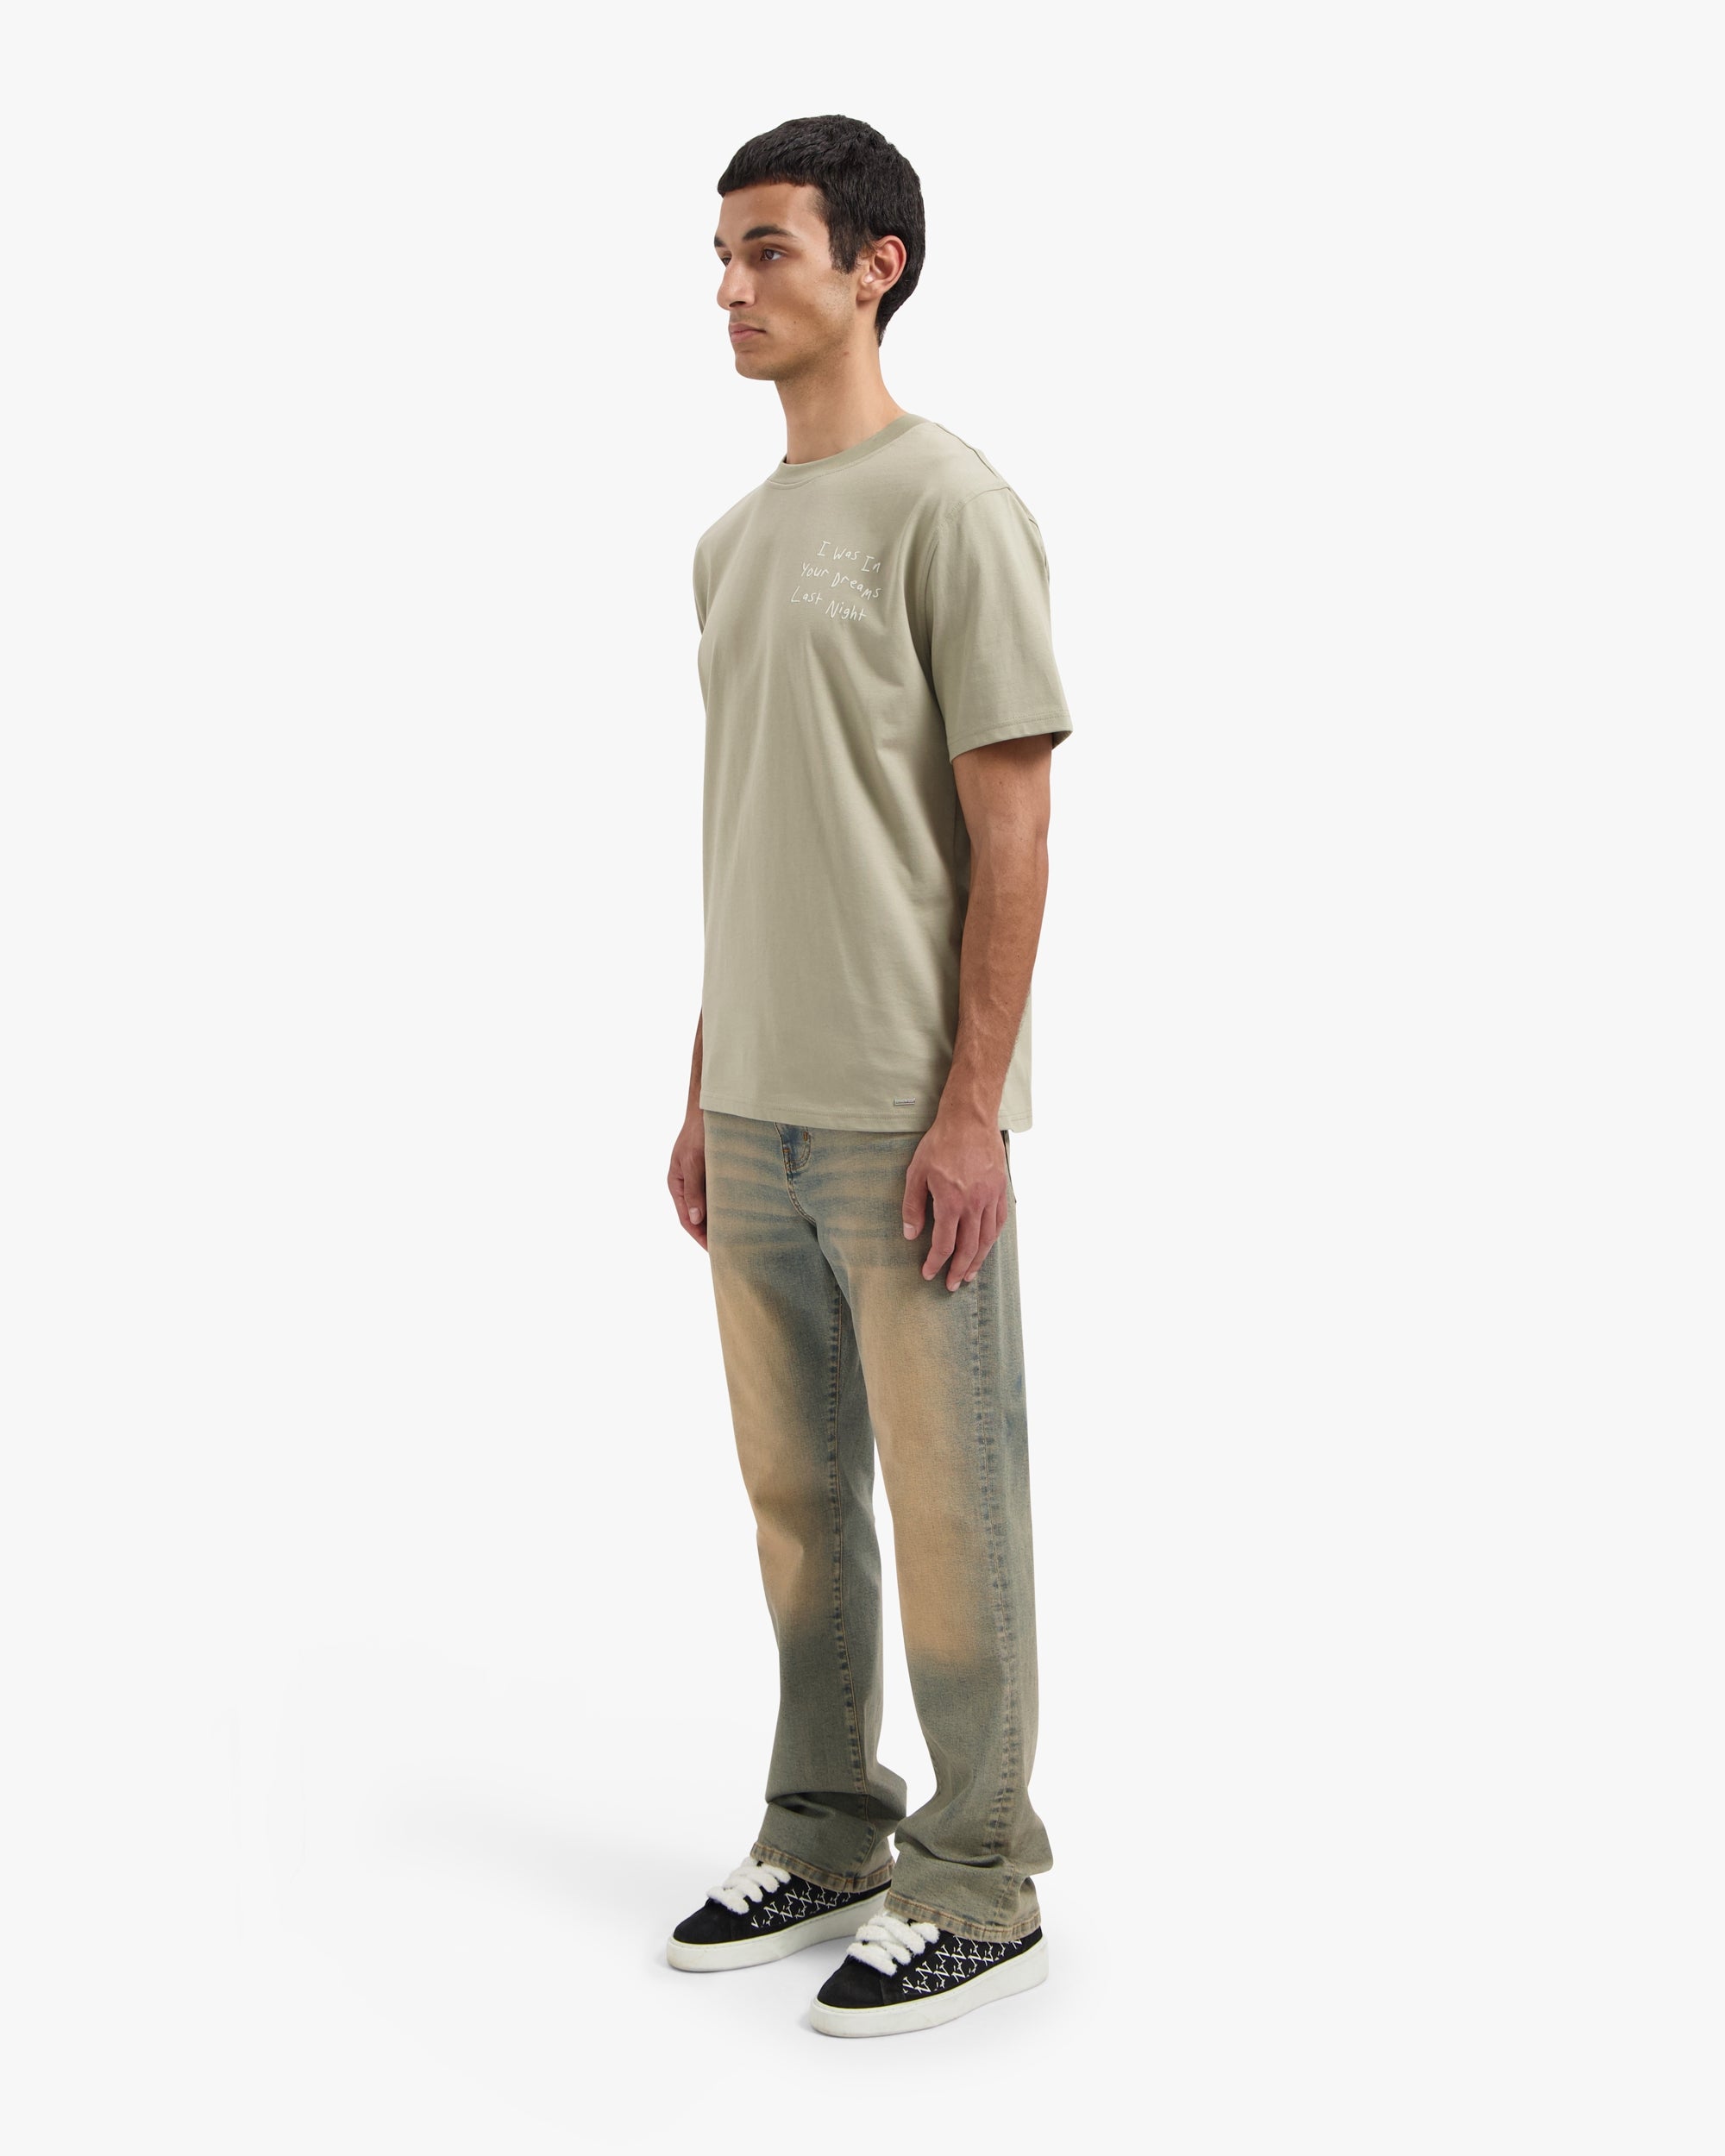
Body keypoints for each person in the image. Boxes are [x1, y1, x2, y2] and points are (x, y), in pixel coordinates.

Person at [662, 114, 1075, 2039]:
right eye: (721, 255)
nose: (730, 287)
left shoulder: (951, 506)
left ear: (872, 265)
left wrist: (972, 1106)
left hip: (906, 1118)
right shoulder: (730, 544)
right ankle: (826, 1827)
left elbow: (1013, 831)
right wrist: (703, 1082)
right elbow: (750, 831)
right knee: (796, 1495)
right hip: (756, 1105)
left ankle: (978, 1874)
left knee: (952, 1497)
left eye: (767, 249)